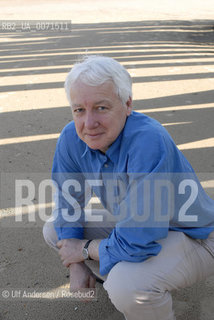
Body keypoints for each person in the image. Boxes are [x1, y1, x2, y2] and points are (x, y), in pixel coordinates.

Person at [43, 55, 214, 320]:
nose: (89, 124)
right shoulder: (71, 137)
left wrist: (85, 249)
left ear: (127, 105)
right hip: (138, 225)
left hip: (196, 236)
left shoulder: (149, 140)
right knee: (54, 229)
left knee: (128, 286)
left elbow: (138, 239)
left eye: (101, 107)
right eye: (79, 110)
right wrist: (76, 264)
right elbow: (68, 203)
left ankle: (139, 286)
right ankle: (135, 275)